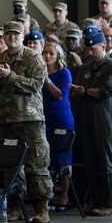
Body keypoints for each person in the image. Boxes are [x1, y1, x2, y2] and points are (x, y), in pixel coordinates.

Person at [0, 21, 53, 223]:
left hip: (29, 120)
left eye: (16, 34)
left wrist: (10, 76)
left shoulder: (33, 57)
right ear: (3, 37)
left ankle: (42, 208)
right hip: (4, 121)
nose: (12, 37)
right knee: (10, 167)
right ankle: (15, 207)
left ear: (23, 37)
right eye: (9, 34)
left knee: (36, 165)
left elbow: (36, 84)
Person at [68, 25, 112, 217]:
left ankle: (108, 202)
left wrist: (84, 91)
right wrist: (78, 92)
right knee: (91, 160)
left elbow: (108, 91)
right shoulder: (86, 67)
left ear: (104, 46)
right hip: (87, 117)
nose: (90, 53)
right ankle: (96, 200)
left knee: (106, 161)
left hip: (105, 118)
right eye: (87, 50)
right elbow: (78, 89)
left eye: (93, 49)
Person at [41, 42, 74, 210]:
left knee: (63, 157)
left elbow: (60, 95)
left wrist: (46, 80)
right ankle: (48, 194)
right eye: (45, 52)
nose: (47, 56)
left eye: (51, 53)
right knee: (47, 156)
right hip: (44, 117)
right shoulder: (39, 70)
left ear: (58, 56)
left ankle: (64, 195)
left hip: (61, 118)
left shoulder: (64, 73)